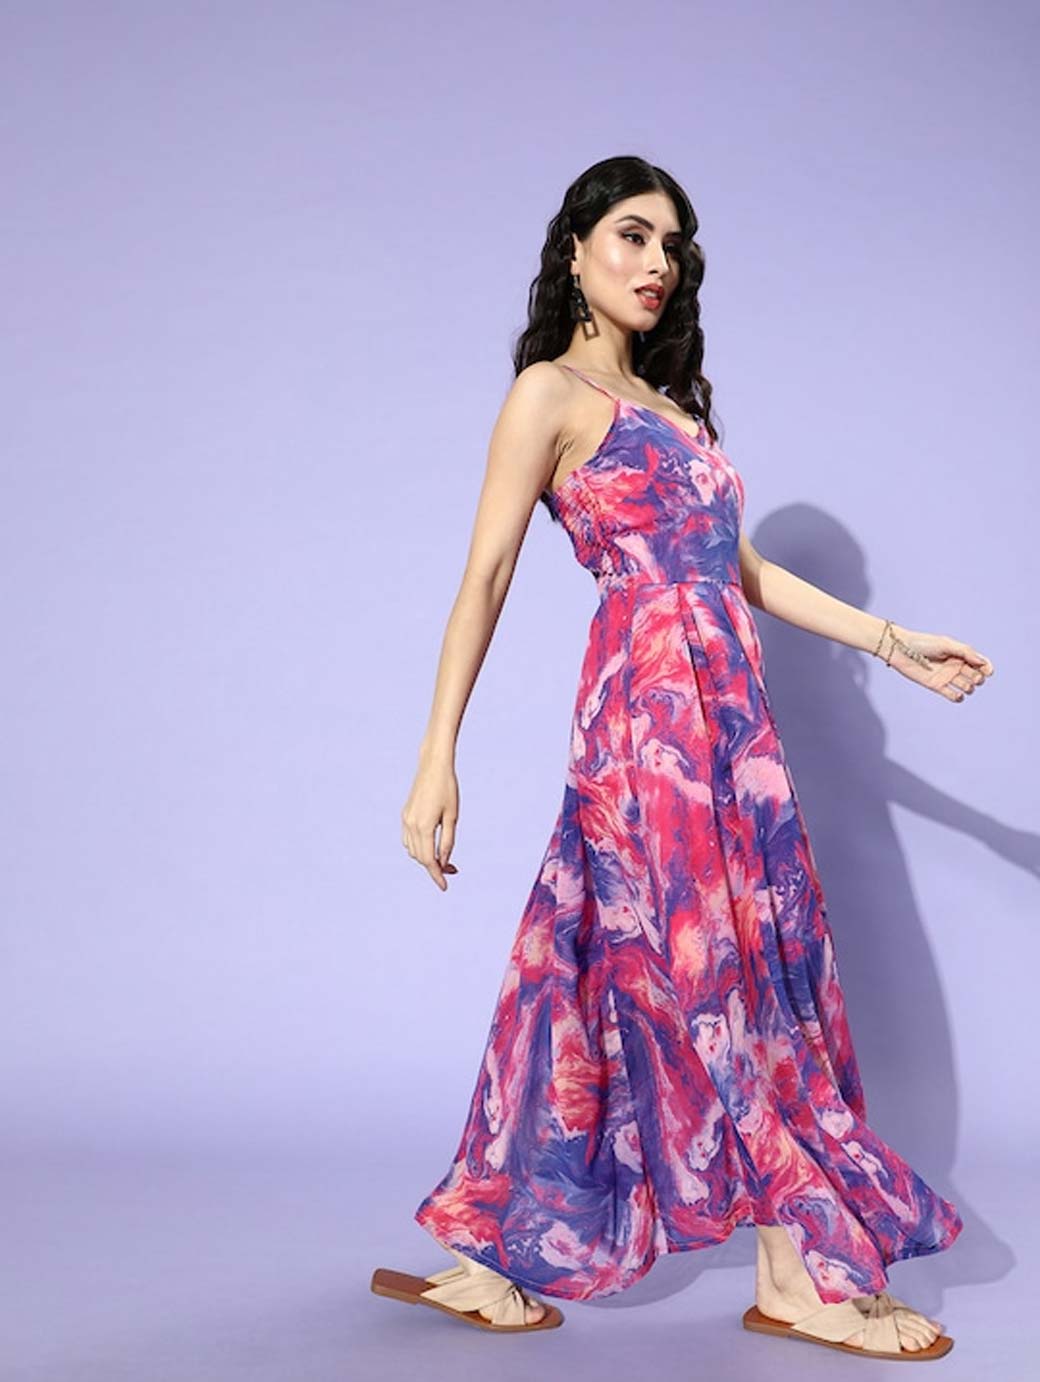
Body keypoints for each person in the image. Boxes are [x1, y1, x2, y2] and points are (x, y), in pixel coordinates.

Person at [372, 155, 993, 1359]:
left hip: (734, 731)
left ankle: (489, 1248)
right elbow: (485, 576)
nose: (655, 262)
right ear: (574, 251)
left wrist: (889, 640)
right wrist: (434, 755)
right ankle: (793, 1268)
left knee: (608, 962)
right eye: (631, 234)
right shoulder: (546, 395)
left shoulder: (672, 407)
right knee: (714, 974)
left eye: (672, 245)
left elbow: (736, 569)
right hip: (644, 726)